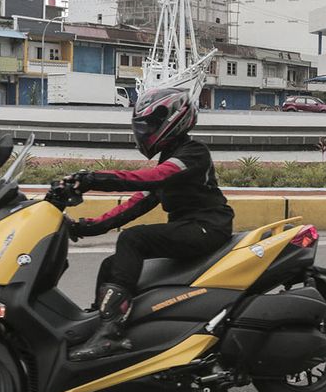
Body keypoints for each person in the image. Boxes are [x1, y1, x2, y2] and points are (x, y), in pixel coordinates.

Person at [64, 88, 234, 361]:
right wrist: (86, 227)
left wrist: (94, 179)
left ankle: (111, 332)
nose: (145, 132)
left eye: (151, 125)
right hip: (189, 227)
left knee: (132, 239)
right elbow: (134, 204)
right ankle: (99, 323)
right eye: (143, 126)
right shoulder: (169, 161)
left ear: (175, 121)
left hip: (207, 227)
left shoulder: (192, 153)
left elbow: (152, 178)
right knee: (112, 265)